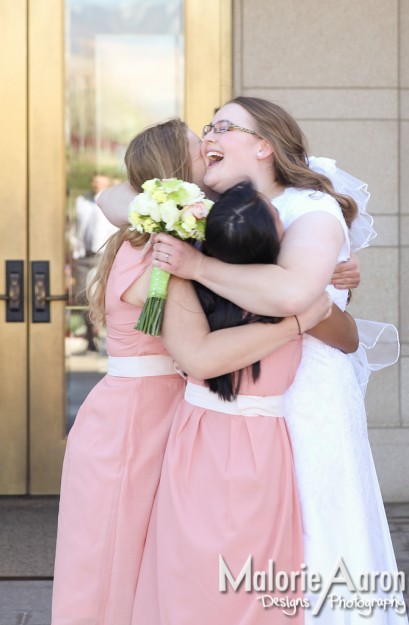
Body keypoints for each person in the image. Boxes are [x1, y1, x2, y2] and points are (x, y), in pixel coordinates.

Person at [51, 118, 331, 625]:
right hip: (133, 425)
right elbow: (203, 346)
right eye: (199, 151)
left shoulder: (153, 232)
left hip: (149, 413)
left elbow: (117, 199)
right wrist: (299, 308)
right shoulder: (166, 247)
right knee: (110, 566)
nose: (211, 150)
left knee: (139, 568)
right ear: (177, 174)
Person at [147, 97, 407, 623]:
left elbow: (293, 294)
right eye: (208, 127)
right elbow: (117, 197)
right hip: (234, 402)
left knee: (316, 535)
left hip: (304, 397)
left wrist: (196, 266)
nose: (209, 137)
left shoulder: (311, 209)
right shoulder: (198, 208)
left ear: (264, 145)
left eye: (223, 126)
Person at [131, 180, 320, 624]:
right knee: (253, 577)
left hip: (207, 438)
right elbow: (200, 357)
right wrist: (298, 322)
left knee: (200, 571)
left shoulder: (285, 293)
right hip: (247, 442)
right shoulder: (292, 301)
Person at [71, 173, 118, 350]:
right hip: (83, 254)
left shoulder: (111, 202)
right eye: (95, 180)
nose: (97, 183)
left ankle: (106, 337)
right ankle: (90, 337)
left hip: (103, 254)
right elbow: (78, 226)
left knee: (102, 295)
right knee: (82, 295)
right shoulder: (82, 202)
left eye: (101, 179)